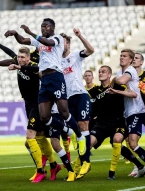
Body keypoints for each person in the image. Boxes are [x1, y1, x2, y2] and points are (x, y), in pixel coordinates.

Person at [0, 40, 75, 182]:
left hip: (37, 104)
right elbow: (9, 53)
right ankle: (53, 165)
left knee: (30, 137)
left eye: (22, 58)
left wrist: (21, 68)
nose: (20, 60)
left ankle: (40, 170)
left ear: (28, 58)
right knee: (39, 136)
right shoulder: (19, 62)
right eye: (19, 58)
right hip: (28, 104)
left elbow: (39, 71)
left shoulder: (33, 67)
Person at [4, 18, 86, 157]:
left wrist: (30, 31)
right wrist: (15, 33)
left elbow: (48, 42)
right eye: (42, 26)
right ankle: (69, 131)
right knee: (44, 117)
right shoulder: (39, 41)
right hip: (45, 80)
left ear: (52, 27)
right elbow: (23, 41)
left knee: (64, 112)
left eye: (46, 26)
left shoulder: (57, 38)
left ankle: (80, 136)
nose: (43, 28)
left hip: (56, 77)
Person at [88, 65, 145, 180]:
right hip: (103, 123)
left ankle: (112, 173)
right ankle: (140, 166)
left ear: (110, 75)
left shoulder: (118, 86)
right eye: (99, 72)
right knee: (91, 143)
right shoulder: (96, 91)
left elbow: (132, 92)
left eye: (104, 71)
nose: (101, 73)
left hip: (119, 121)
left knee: (117, 140)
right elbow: (94, 107)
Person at [114, 49, 145, 178]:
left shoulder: (130, 71)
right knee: (121, 141)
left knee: (134, 142)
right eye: (121, 55)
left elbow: (127, 88)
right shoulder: (120, 72)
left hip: (137, 110)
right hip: (127, 112)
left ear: (130, 60)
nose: (121, 58)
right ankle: (140, 167)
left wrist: (114, 83)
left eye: (125, 56)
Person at [60, 29, 94, 179]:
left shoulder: (75, 56)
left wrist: (80, 35)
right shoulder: (56, 61)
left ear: (68, 44)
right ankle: (82, 160)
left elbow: (91, 50)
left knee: (83, 125)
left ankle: (85, 162)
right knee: (74, 131)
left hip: (80, 95)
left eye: (63, 42)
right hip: (67, 99)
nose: (60, 45)